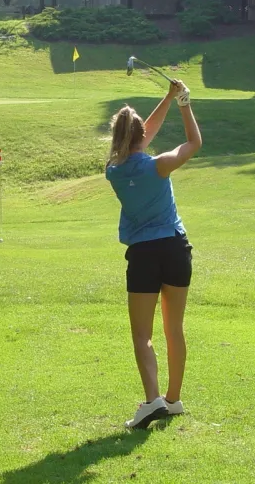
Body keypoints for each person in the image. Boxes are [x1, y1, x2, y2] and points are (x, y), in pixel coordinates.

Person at [105, 79, 202, 429]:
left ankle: (152, 401)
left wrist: (166, 98)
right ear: (142, 134)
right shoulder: (160, 165)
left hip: (143, 255)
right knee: (173, 328)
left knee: (142, 334)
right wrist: (183, 102)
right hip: (175, 249)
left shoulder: (113, 172)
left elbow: (141, 135)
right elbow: (194, 143)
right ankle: (173, 400)